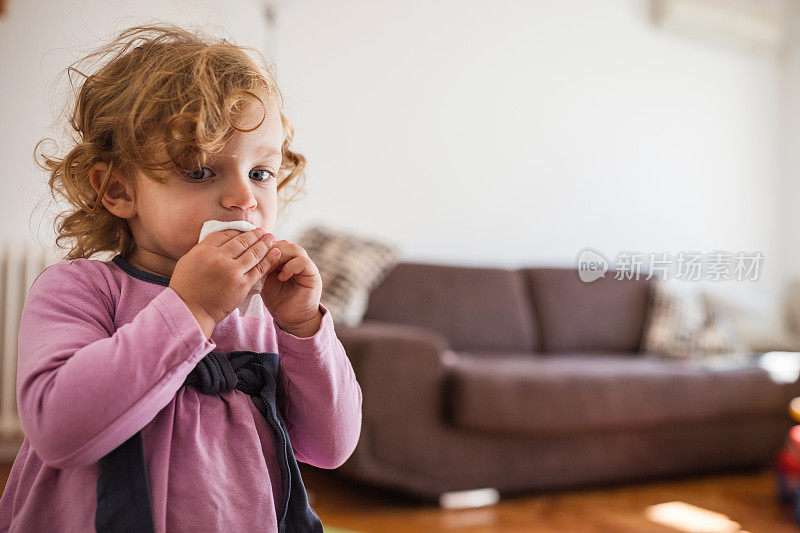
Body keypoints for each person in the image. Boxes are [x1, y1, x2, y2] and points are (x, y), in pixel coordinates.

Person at [0, 23, 362, 532]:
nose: (245, 198)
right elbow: (59, 430)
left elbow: (330, 446)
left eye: (260, 173)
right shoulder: (79, 290)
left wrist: (303, 326)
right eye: (199, 171)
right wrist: (191, 308)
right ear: (119, 188)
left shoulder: (262, 314)